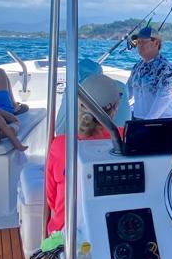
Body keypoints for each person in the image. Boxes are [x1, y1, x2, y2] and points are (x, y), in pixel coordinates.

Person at [44, 71, 123, 234]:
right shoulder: (128, 139)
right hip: (112, 231)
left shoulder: (60, 145)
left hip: (65, 235)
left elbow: (51, 198)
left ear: (79, 104)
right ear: (116, 107)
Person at [127, 25, 172, 119]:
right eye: (138, 42)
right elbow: (128, 90)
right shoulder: (137, 66)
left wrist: (146, 123)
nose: (140, 45)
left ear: (156, 43)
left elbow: (164, 98)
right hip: (139, 119)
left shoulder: (165, 68)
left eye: (144, 41)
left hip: (162, 122)